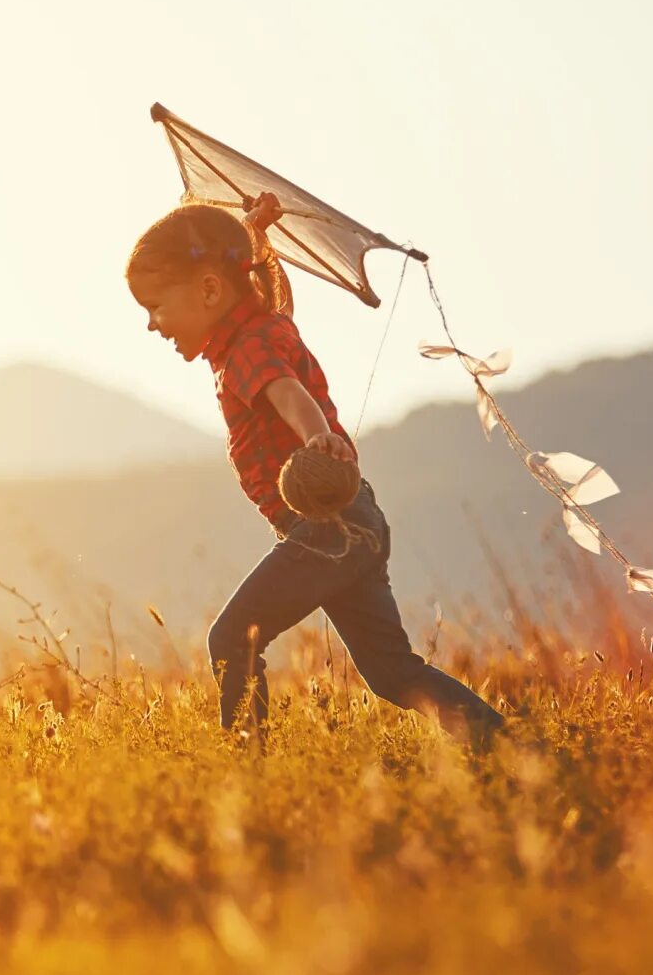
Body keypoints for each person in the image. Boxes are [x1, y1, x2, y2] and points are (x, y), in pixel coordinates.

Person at [125, 192, 504, 748]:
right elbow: (270, 303)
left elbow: (287, 391)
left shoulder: (249, 348)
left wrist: (316, 435)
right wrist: (253, 235)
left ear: (209, 289)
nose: (153, 324)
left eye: (155, 306)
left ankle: (246, 767)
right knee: (392, 671)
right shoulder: (261, 327)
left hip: (331, 530)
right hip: (354, 524)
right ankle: (511, 748)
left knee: (233, 638)